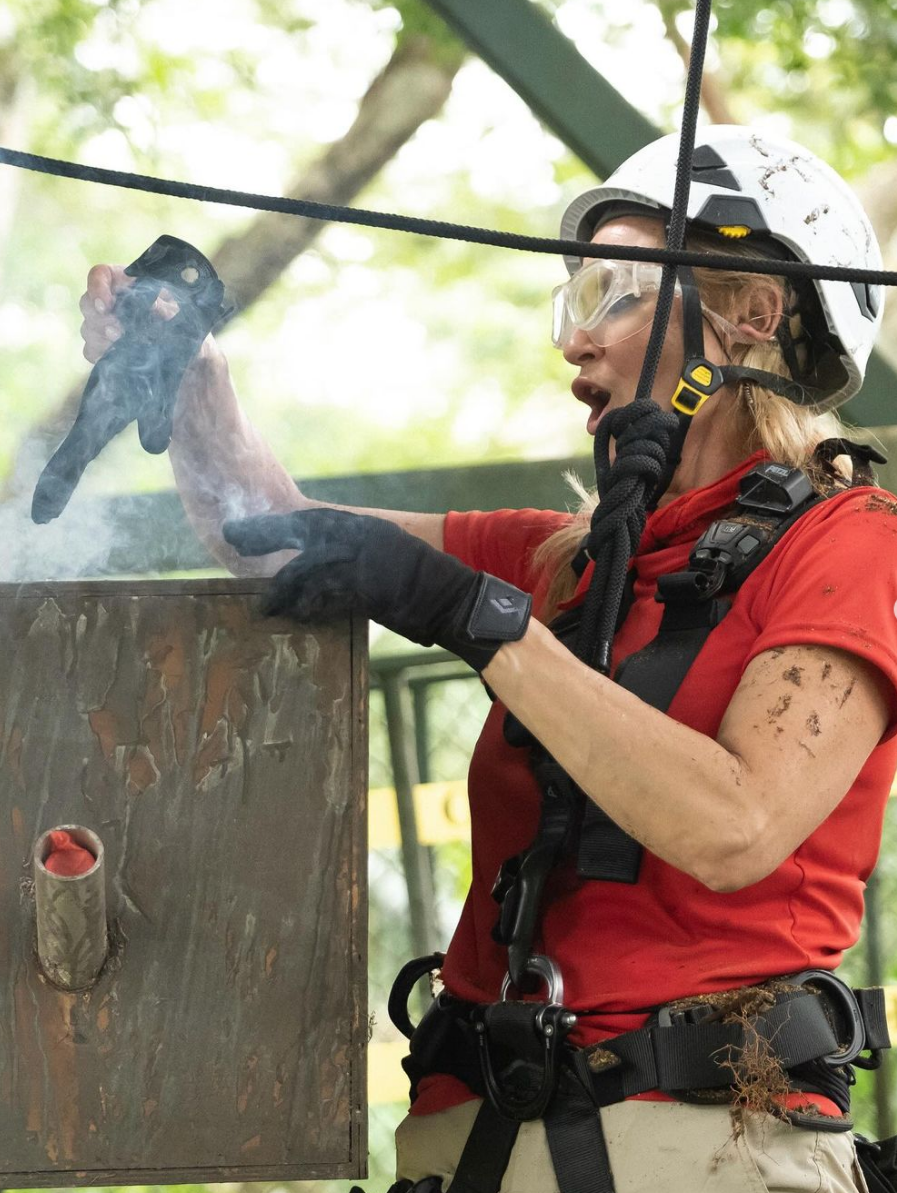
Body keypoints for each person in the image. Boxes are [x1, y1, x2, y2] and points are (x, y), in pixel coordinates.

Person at [79, 126, 897, 1192]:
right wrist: (191, 379)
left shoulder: (853, 540)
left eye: (614, 290)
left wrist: (486, 620)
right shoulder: (558, 562)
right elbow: (276, 537)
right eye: (575, 300)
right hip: (479, 1136)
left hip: (710, 1147)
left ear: (752, 314)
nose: (576, 342)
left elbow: (736, 822)